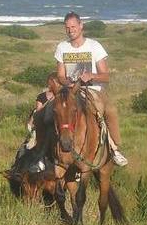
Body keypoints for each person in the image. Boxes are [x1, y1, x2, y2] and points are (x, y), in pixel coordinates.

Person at [53, 11, 128, 166]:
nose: (70, 30)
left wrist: (91, 76)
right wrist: (66, 82)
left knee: (110, 111)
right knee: (47, 108)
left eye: (73, 26)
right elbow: (60, 75)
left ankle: (115, 148)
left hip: (92, 90)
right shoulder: (62, 47)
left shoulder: (94, 46)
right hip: (69, 90)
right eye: (67, 27)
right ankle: (37, 147)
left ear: (81, 26)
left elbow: (106, 76)